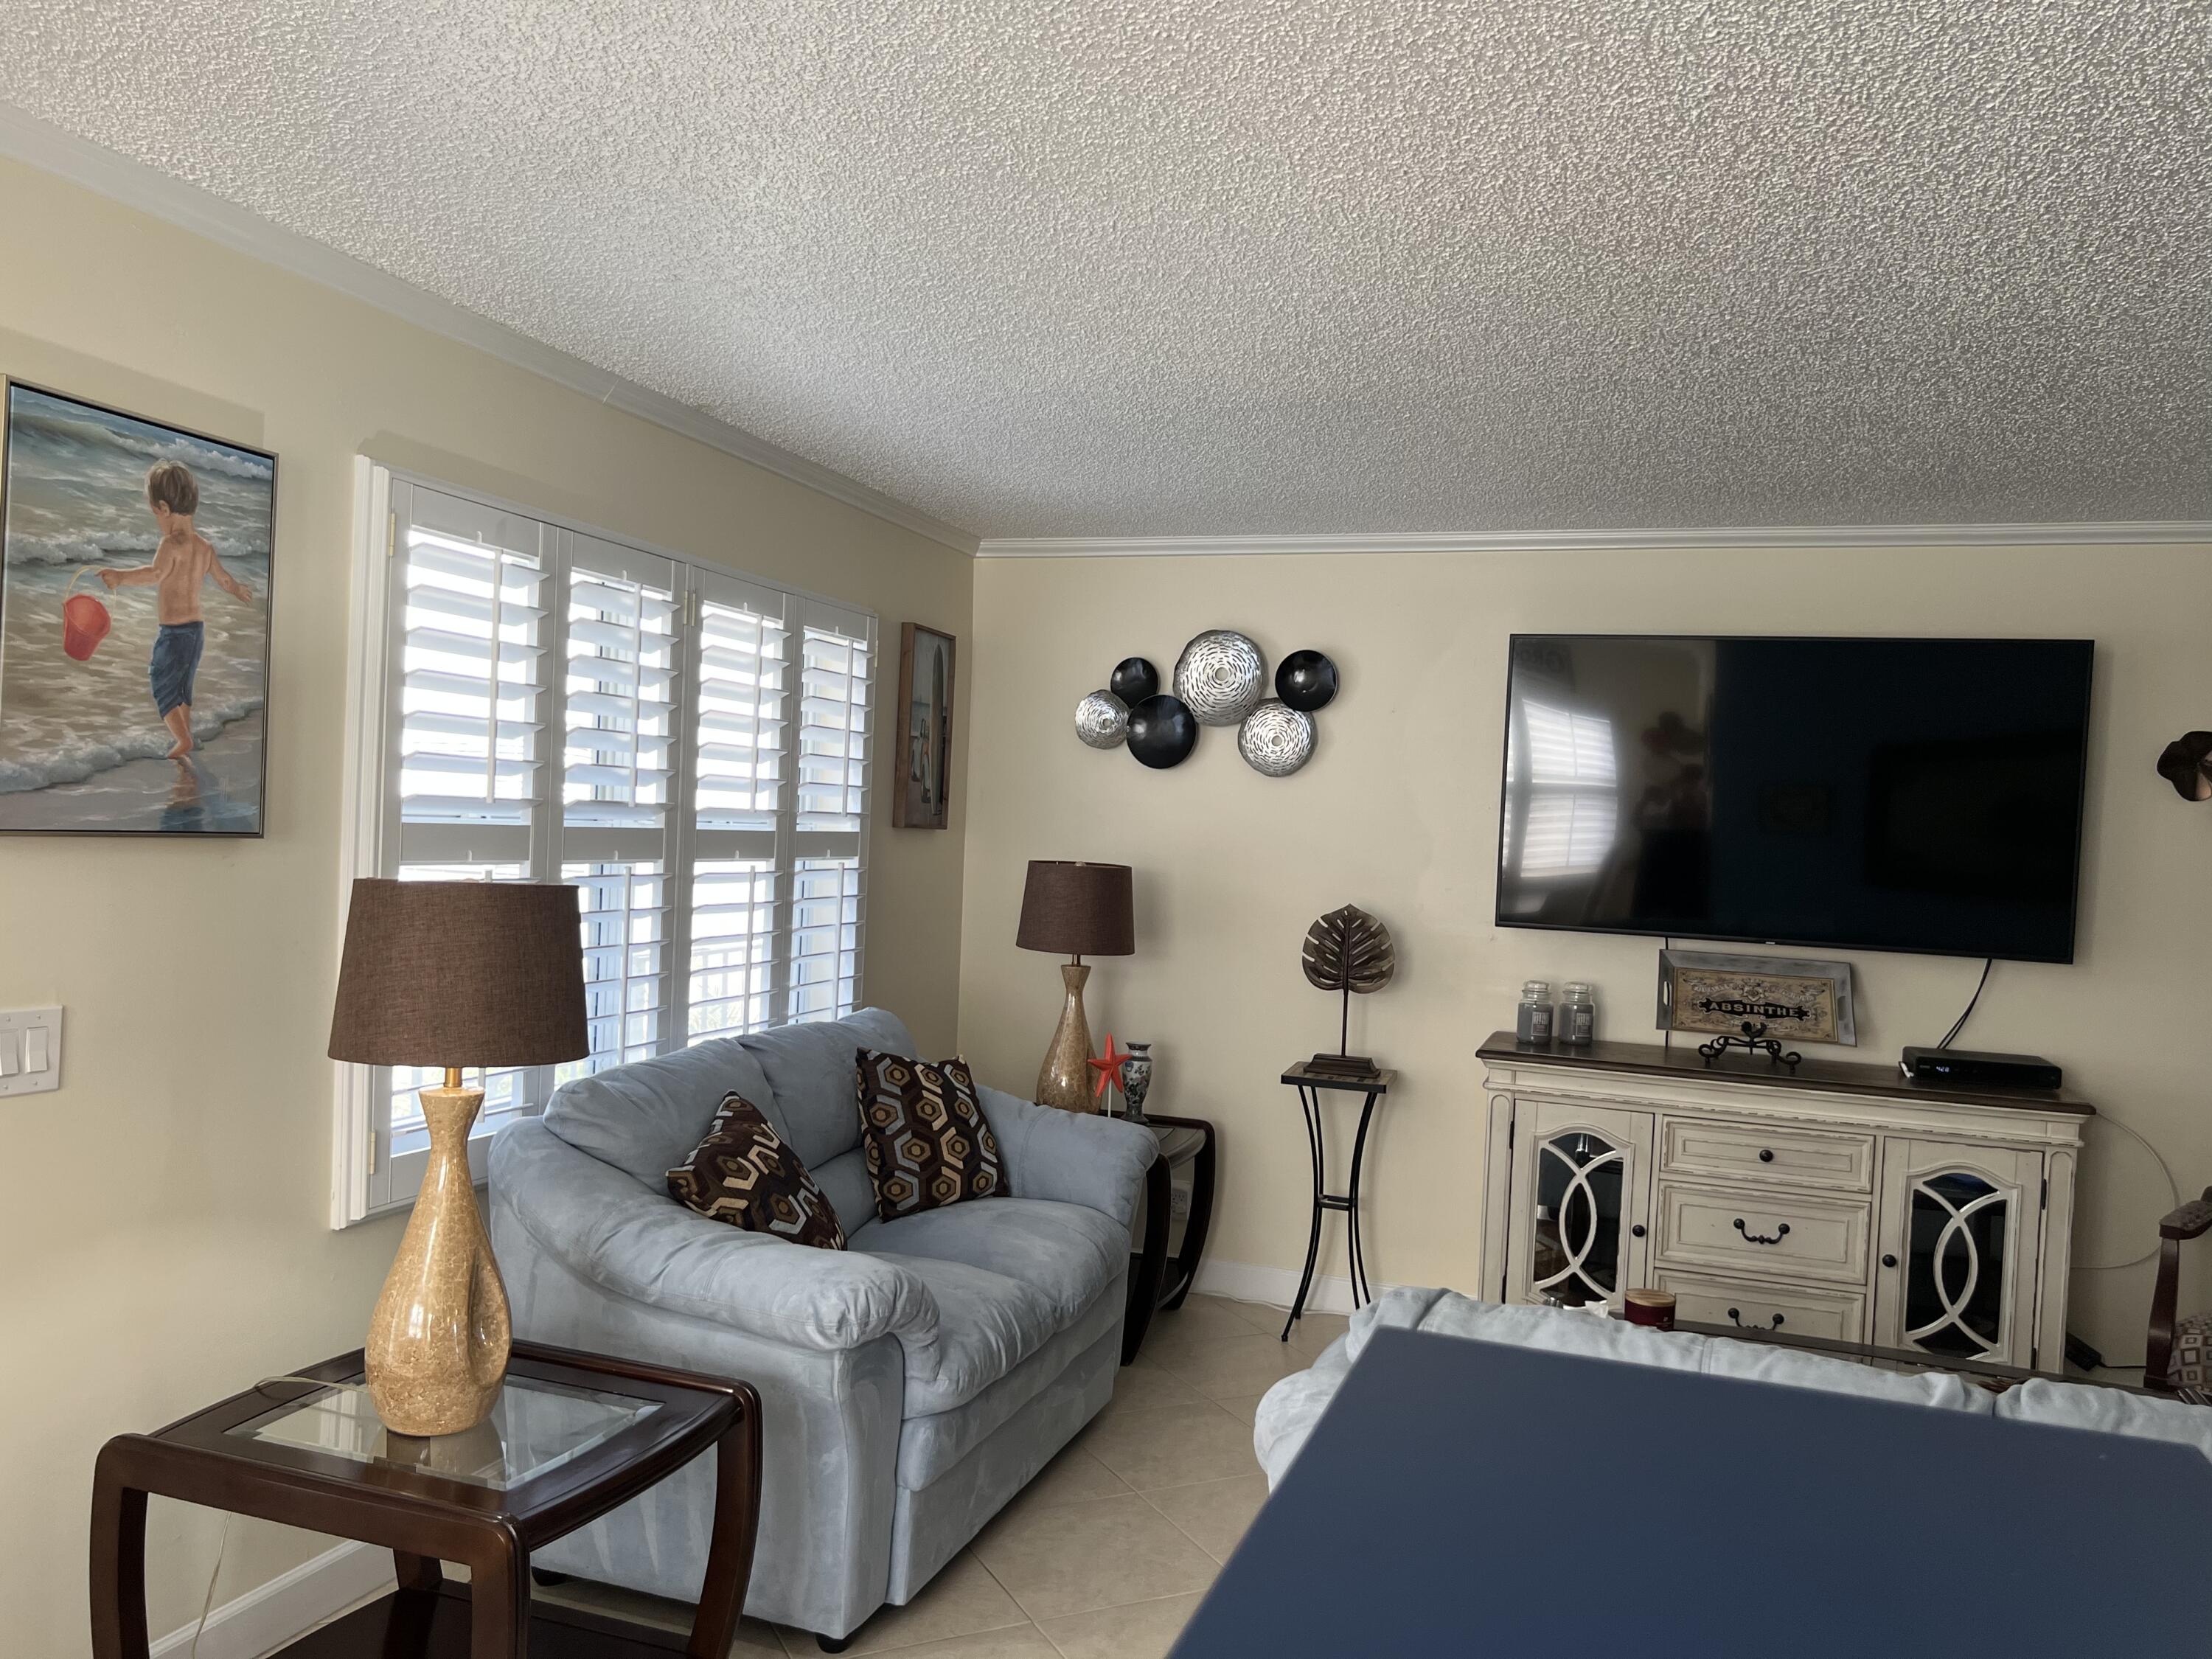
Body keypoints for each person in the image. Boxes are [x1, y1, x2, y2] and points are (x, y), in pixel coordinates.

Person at [98, 460, 255, 758]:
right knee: (183, 686)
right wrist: (237, 589)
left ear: (164, 508)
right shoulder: (204, 547)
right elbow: (223, 579)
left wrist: (121, 577)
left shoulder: (170, 544)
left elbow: (155, 575)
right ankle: (187, 735)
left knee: (161, 682)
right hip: (196, 632)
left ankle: (183, 740)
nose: (157, 520)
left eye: (155, 513)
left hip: (173, 633)